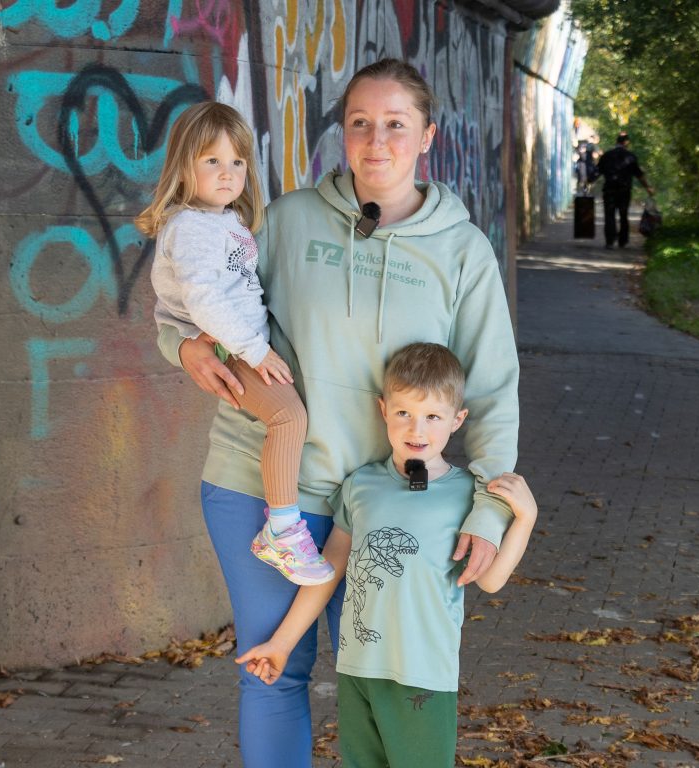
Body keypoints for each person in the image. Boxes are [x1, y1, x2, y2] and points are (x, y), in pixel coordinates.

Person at [157, 58, 520, 768]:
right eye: (359, 123)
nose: (375, 141)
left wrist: (488, 510)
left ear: (427, 136)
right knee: (273, 668)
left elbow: (496, 390)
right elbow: (193, 291)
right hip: (260, 484)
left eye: (394, 124)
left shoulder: (463, 251)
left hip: (389, 500)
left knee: (381, 679)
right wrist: (183, 346)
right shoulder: (285, 221)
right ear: (342, 133)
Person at [236, 342, 537, 768]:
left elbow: (490, 580)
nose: (417, 429)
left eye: (433, 416)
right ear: (383, 410)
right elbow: (329, 570)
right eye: (404, 413)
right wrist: (282, 645)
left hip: (423, 676)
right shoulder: (361, 486)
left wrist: (525, 518)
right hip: (358, 669)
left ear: (458, 420)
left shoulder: (469, 494)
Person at [135, 102, 335, 586]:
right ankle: (283, 530)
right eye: (212, 161)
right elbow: (204, 305)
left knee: (291, 417)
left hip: (239, 344)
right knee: (288, 417)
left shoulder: (221, 220)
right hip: (230, 348)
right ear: (185, 165)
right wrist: (255, 349)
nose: (227, 174)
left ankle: (283, 525)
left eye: (237, 163)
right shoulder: (191, 228)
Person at [596, 131, 655, 249]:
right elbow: (639, 174)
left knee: (609, 215)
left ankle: (610, 241)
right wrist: (648, 187)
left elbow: (597, 172)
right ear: (626, 142)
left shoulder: (607, 155)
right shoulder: (630, 157)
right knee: (623, 214)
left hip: (609, 190)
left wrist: (588, 181)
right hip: (624, 190)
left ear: (616, 141)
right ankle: (622, 241)